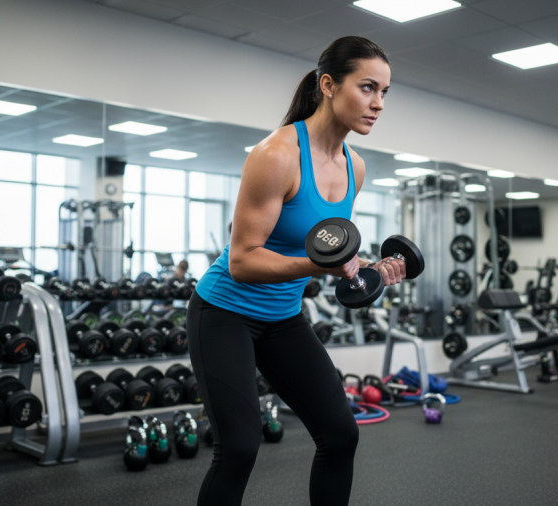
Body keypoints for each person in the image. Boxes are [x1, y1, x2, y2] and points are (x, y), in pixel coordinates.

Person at [189, 36, 401, 506]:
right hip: (224, 313)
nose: (378, 103)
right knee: (240, 448)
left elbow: (327, 249)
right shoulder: (277, 155)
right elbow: (243, 260)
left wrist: (368, 269)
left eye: (385, 92)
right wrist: (321, 267)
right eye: (368, 88)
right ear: (328, 84)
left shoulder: (355, 166)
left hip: (283, 318)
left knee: (340, 435)